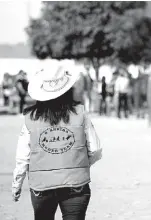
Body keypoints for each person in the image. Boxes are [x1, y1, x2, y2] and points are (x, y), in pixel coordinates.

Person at [11, 66, 102, 220]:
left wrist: (16, 185)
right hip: (76, 184)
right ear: (67, 90)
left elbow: (22, 158)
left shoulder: (29, 119)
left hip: (42, 186)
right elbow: (95, 150)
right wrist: (78, 165)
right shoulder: (80, 114)